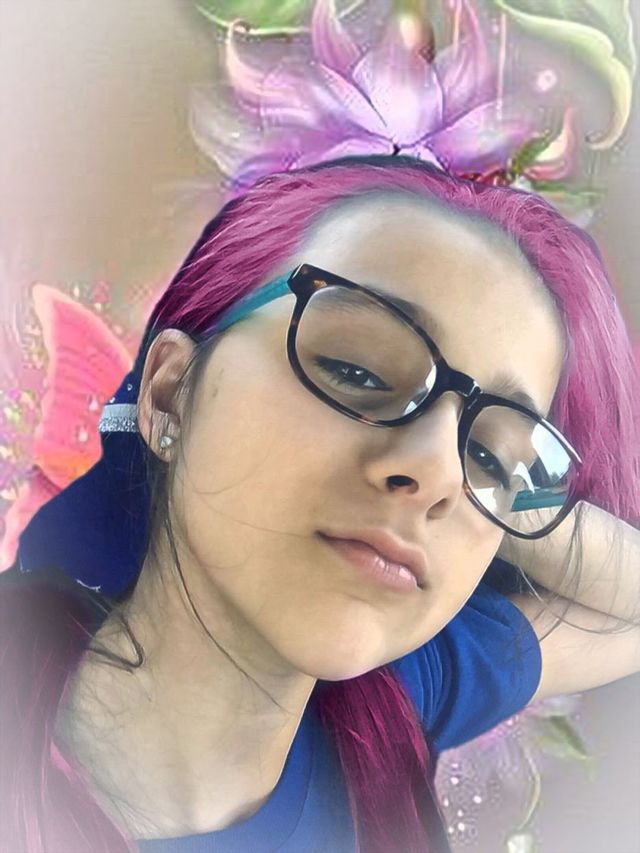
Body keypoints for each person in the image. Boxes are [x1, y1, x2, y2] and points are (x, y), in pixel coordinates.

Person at [1, 154, 639, 853]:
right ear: (169, 393)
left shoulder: (389, 704)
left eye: (490, 456)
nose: (436, 473)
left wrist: (493, 484)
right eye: (357, 370)